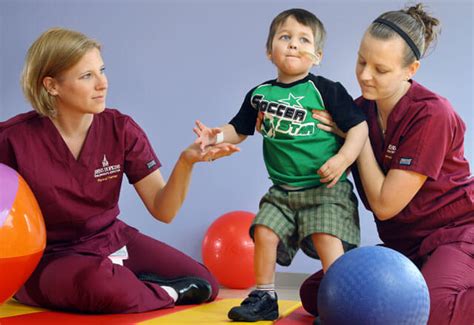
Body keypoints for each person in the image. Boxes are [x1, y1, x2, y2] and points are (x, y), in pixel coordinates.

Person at [0, 27, 239, 314]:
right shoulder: (12, 139)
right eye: (87, 76)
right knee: (101, 285)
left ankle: (131, 285)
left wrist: (186, 162)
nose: (103, 84)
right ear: (52, 85)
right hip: (52, 257)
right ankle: (158, 291)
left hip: (111, 239)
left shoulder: (120, 128)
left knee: (206, 282)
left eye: (102, 70)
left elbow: (164, 210)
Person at [300, 4, 474, 325]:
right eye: (361, 60)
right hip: (406, 246)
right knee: (320, 294)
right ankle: (433, 278)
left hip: (457, 234)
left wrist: (358, 136)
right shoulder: (357, 111)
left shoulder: (432, 114)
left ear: (411, 69)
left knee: (434, 312)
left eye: (380, 69)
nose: (365, 75)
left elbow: (385, 205)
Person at [194, 8, 368, 322]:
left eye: (303, 40)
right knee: (263, 230)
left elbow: (359, 128)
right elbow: (240, 128)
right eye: (284, 37)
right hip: (282, 191)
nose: (292, 45)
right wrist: (216, 134)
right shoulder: (260, 95)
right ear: (269, 50)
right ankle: (265, 295)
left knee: (327, 237)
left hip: (326, 188)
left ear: (317, 56)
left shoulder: (326, 90)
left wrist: (342, 159)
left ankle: (339, 304)